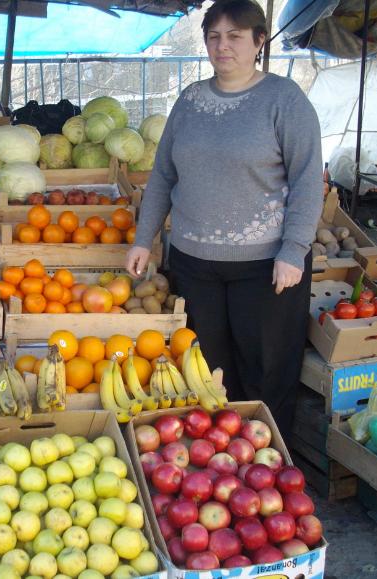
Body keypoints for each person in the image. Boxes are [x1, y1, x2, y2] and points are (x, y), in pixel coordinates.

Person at [126, 0, 323, 434]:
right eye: (214, 36)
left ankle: (269, 455)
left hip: (266, 266)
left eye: (235, 36)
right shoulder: (190, 101)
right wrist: (144, 238)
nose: (223, 46)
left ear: (259, 41)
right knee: (207, 371)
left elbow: (308, 180)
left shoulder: (284, 100)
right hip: (194, 264)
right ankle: (217, 454)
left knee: (266, 370)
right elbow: (163, 175)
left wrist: (294, 250)